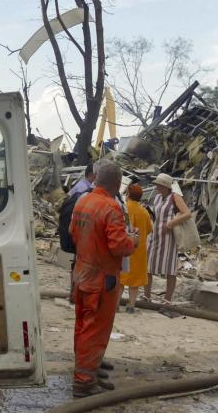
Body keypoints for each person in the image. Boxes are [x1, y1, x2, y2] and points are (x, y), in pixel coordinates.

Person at [69, 162, 137, 397]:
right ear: (118, 184)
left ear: (96, 179)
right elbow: (118, 246)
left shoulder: (82, 201)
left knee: (82, 325)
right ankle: (84, 381)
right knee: (95, 329)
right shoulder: (110, 208)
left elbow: (72, 233)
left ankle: (86, 370)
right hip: (101, 280)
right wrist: (133, 242)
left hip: (81, 274)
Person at [145, 173, 192, 304]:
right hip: (155, 235)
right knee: (148, 266)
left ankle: (167, 299)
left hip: (169, 238)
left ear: (165, 186)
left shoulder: (175, 197)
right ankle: (146, 296)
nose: (156, 187)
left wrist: (171, 224)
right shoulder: (157, 197)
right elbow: (155, 215)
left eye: (158, 185)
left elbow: (187, 214)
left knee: (170, 268)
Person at [118, 184, 151, 313]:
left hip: (123, 249)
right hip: (139, 250)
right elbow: (149, 229)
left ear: (127, 195)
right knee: (135, 281)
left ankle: (116, 305)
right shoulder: (144, 212)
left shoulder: (123, 209)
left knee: (120, 279)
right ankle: (131, 306)